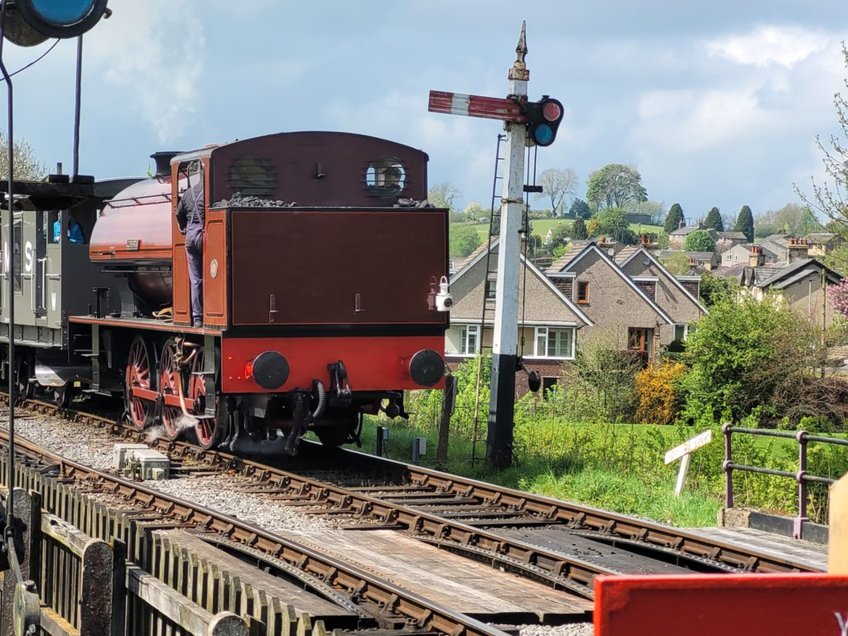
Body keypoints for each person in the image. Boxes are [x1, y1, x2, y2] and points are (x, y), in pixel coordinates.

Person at [176, 169, 205, 327]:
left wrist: (185, 228)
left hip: (190, 235)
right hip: (205, 235)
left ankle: (198, 317)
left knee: (196, 279)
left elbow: (179, 215)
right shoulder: (211, 192)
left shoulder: (188, 193)